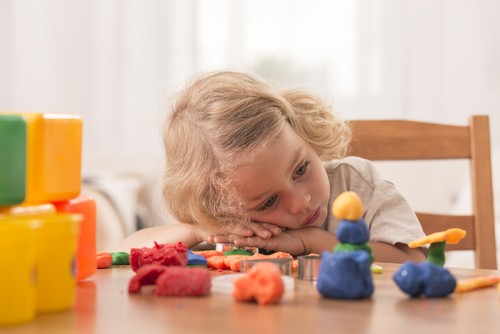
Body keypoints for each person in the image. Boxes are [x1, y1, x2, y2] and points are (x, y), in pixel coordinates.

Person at [117, 70, 426, 263]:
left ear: (301, 130)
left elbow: (416, 261)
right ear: (225, 209)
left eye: (301, 169)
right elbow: (123, 252)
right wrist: (200, 229)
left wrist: (311, 241)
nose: (300, 202)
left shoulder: (357, 183)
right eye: (268, 202)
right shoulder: (237, 227)